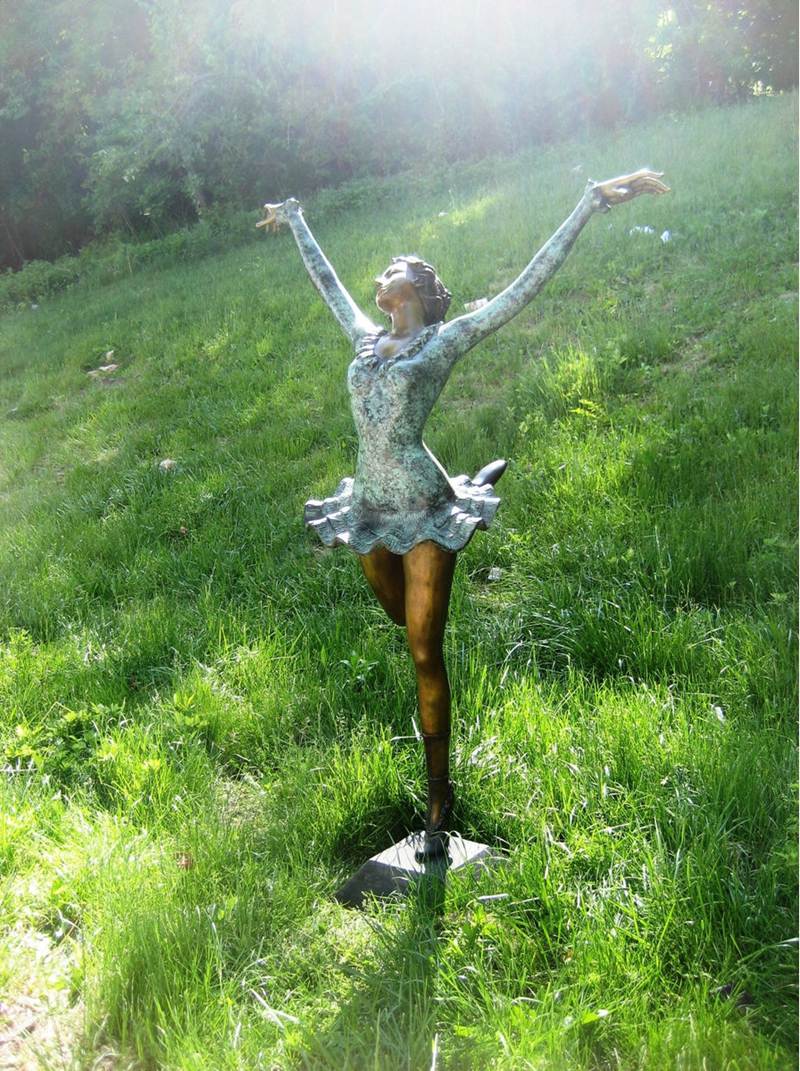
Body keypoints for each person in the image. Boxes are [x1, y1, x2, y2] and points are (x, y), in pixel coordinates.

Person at [258, 169, 669, 858]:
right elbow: (326, 283)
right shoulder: (365, 340)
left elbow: (522, 288)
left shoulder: (443, 341)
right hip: (368, 507)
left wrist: (590, 202)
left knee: (424, 649)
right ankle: (468, 485)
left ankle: (438, 798)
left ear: (417, 286)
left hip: (424, 507)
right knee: (401, 619)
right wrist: (295, 216)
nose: (379, 279)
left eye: (392, 271)